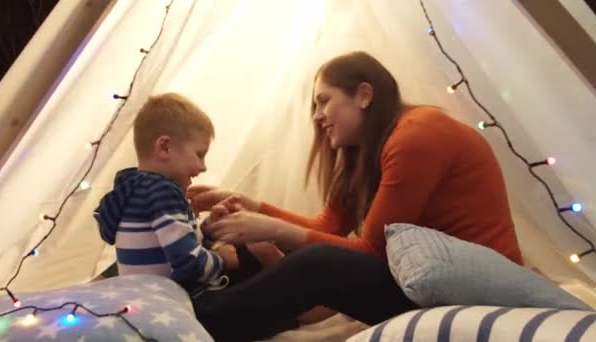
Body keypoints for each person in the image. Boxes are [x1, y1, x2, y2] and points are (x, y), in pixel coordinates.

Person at [188, 51, 523, 341]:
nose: (317, 116)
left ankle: (197, 321)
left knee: (318, 263)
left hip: (471, 294)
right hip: (430, 281)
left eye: (323, 100)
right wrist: (252, 206)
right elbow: (327, 226)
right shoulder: (371, 149)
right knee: (278, 249)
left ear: (363, 95)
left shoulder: (417, 136)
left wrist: (271, 228)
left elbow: (370, 251)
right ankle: (209, 300)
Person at [92, 93, 268, 295]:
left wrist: (209, 229)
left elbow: (164, 243)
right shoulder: (163, 192)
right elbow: (188, 264)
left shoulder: (129, 189)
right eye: (199, 155)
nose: (203, 167)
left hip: (139, 297)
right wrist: (222, 260)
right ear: (165, 147)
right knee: (257, 258)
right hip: (172, 299)